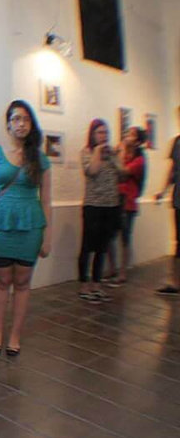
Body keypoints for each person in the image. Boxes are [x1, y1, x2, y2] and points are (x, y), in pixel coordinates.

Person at [0, 100, 51, 356]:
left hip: (31, 226)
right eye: (16, 119)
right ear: (8, 124)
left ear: (31, 124)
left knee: (22, 283)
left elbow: (46, 200)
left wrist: (47, 236)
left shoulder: (40, 159)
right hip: (1, 225)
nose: (20, 123)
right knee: (1, 281)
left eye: (25, 119)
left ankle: (15, 337)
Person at [77, 119, 122, 304]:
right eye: (100, 132)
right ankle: (84, 286)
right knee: (87, 247)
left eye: (106, 132)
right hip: (93, 206)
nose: (104, 136)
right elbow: (92, 171)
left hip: (111, 206)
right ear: (92, 134)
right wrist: (97, 152)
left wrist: (116, 156)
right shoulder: (86, 152)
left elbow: (123, 172)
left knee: (102, 248)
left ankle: (97, 284)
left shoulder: (111, 154)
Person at [106, 126, 147, 286]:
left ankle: (122, 272)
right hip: (115, 198)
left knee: (125, 238)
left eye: (131, 134)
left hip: (128, 202)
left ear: (137, 141)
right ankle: (112, 268)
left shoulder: (139, 160)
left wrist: (121, 150)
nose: (126, 136)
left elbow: (122, 171)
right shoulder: (121, 151)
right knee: (109, 236)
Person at [154, 111, 180, 296]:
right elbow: (173, 171)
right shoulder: (177, 142)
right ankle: (175, 283)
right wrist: (162, 191)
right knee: (178, 242)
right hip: (178, 199)